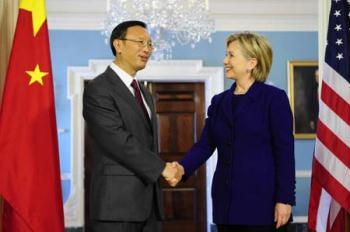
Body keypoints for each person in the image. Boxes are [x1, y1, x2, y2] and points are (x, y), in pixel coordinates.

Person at [170, 32, 296, 232]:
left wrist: (285, 199)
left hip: (262, 204)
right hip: (225, 203)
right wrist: (182, 168)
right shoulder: (219, 101)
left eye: (231, 55)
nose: (225, 60)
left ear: (251, 63)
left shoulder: (274, 99)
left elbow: (285, 153)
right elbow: (205, 145)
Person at [83, 20, 179, 232]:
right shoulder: (98, 89)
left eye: (150, 44)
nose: (147, 49)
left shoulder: (144, 91)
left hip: (150, 207)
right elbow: (117, 140)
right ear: (118, 45)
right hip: (115, 207)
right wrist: (162, 168)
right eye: (140, 42)